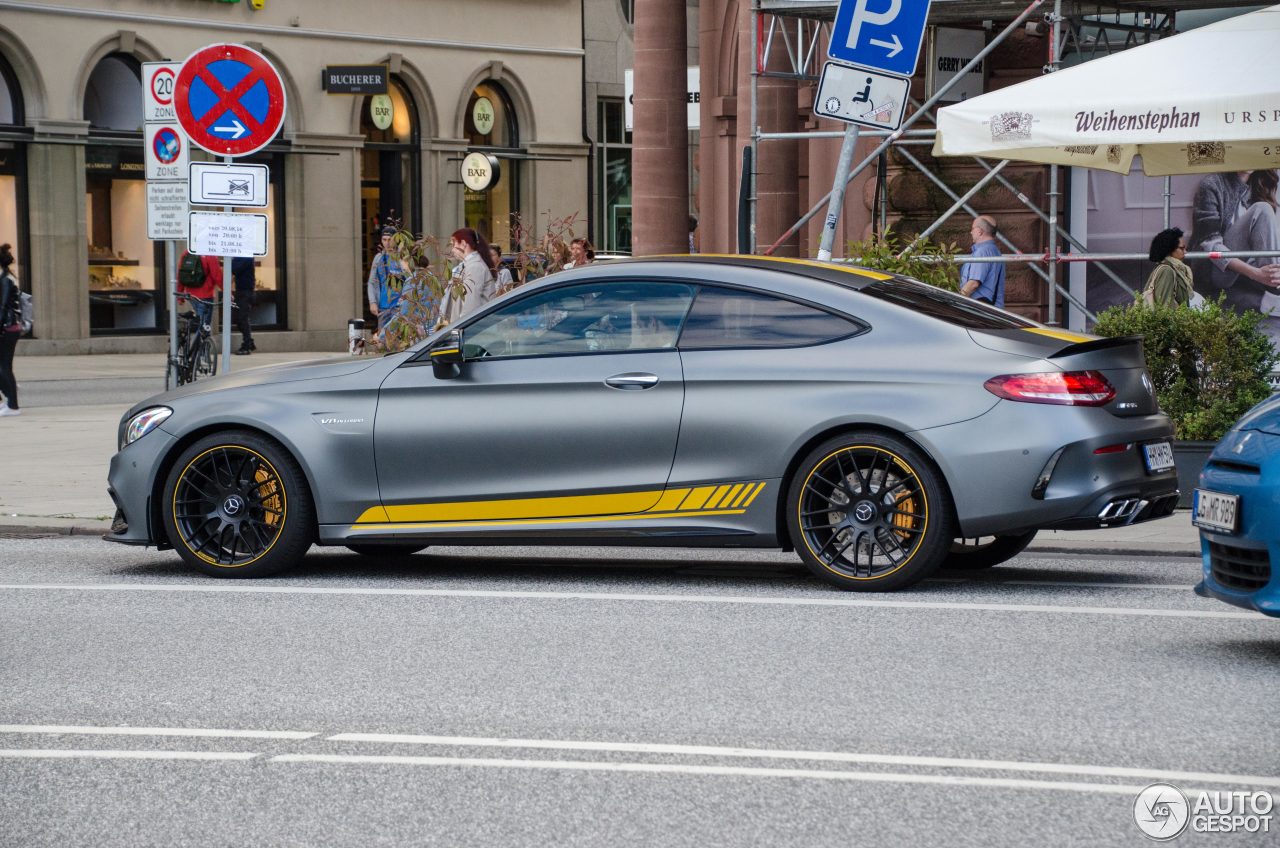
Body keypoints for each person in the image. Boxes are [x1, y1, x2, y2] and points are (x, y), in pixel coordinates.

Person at [1192, 170, 1280, 312]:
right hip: (1212, 270)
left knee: (1264, 209)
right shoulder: (1211, 184)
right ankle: (1274, 291)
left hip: (1247, 269)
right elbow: (1211, 245)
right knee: (1262, 208)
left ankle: (1274, 285)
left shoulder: (1259, 183)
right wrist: (1256, 274)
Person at [439, 227, 497, 324]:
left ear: (463, 243)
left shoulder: (475, 267)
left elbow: (470, 305)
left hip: (471, 331)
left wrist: (461, 327)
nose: (452, 250)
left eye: (453, 244)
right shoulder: (468, 265)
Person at [366, 225, 407, 334]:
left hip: (399, 307)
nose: (387, 243)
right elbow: (371, 282)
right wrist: (372, 302)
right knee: (382, 342)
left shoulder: (402, 257)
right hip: (383, 307)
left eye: (390, 240)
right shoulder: (378, 258)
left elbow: (411, 280)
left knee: (399, 340)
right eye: (384, 240)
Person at [959, 215, 1005, 307]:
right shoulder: (994, 251)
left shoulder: (982, 252)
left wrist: (956, 302)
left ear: (980, 231)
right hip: (988, 310)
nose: (971, 232)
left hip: (978, 310)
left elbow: (973, 284)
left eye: (973, 229)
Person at [1141, 228, 1194, 307]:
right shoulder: (1167, 271)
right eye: (1181, 248)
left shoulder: (1175, 270)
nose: (1185, 252)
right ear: (1169, 249)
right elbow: (1163, 309)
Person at [0, 243, 22, 417]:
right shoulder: (7, 277)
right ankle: (9, 398)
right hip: (9, 327)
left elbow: (4, 306)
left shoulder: (6, 279)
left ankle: (13, 405)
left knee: (4, 366)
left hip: (7, 328)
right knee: (3, 366)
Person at [178, 250, 222, 327]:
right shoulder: (209, 253)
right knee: (204, 326)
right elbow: (217, 276)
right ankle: (197, 338)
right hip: (205, 295)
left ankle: (189, 334)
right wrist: (228, 293)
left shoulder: (187, 253)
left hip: (191, 295)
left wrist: (180, 295)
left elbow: (180, 275)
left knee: (199, 321)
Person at [231, 256, 256, 355]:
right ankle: (249, 342)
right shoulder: (241, 257)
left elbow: (234, 268)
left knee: (242, 318)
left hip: (246, 292)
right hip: (241, 291)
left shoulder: (247, 257)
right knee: (237, 319)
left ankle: (247, 345)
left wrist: (231, 259)